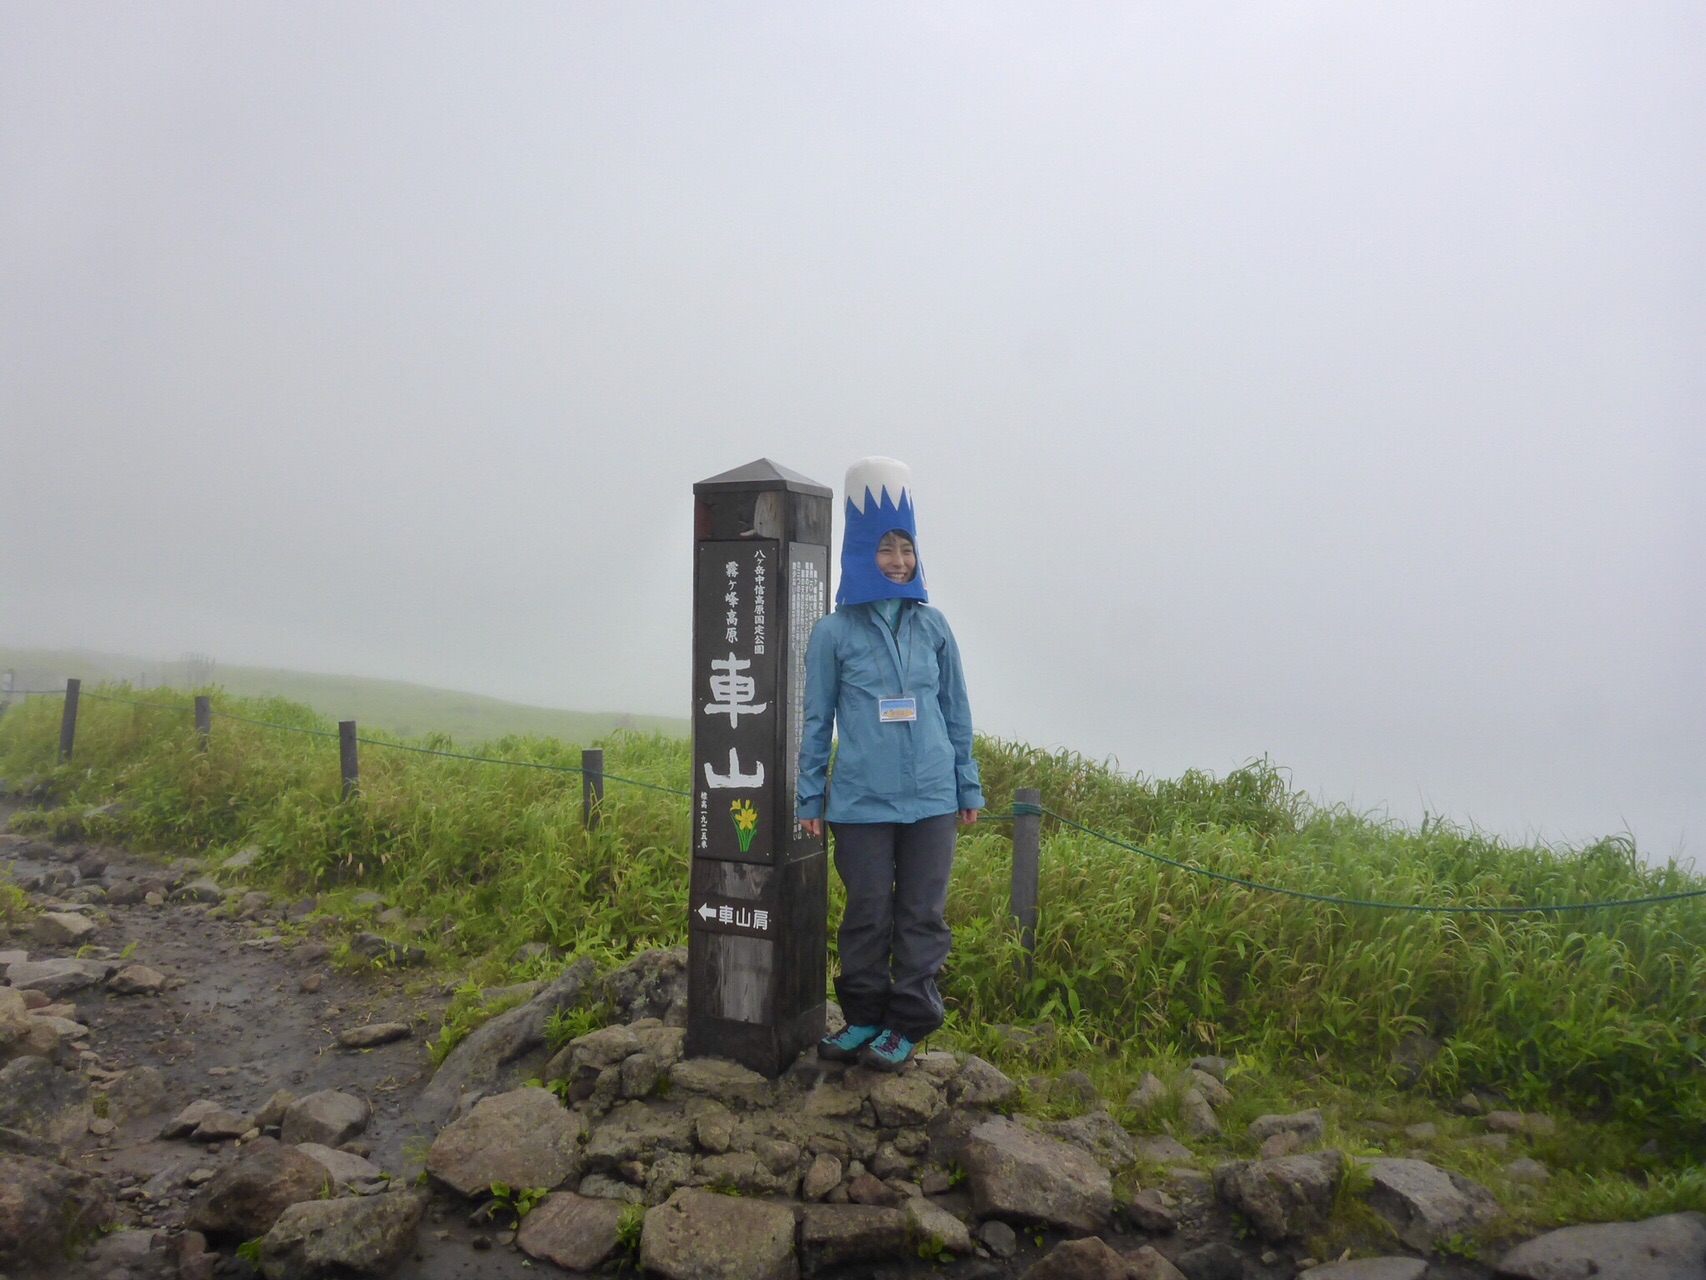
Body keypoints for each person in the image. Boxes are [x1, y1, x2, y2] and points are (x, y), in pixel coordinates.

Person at [796, 457, 984, 1072]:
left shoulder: (933, 626)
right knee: (867, 914)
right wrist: (809, 800)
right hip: (859, 802)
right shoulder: (833, 632)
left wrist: (968, 785)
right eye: (885, 548)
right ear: (858, 553)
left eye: (905, 548)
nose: (898, 560)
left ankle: (906, 1025)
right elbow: (817, 722)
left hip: (931, 799)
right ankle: (863, 1020)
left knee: (922, 916)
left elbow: (955, 710)